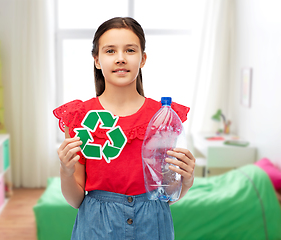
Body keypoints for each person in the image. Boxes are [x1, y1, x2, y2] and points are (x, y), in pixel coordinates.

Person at [53, 17, 196, 240]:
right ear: (97, 60)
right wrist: (66, 171)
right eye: (110, 51)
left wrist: (185, 181)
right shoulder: (78, 117)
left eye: (130, 50)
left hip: (153, 225)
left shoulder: (164, 116)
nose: (120, 59)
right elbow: (75, 200)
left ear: (143, 59)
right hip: (96, 227)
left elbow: (167, 194)